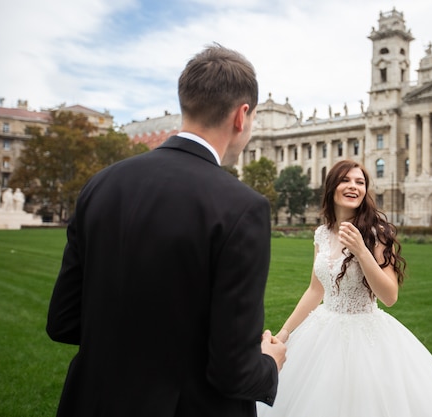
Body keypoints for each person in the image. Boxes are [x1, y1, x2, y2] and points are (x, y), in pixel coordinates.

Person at [46, 44, 286, 417]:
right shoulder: (242, 206)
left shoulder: (100, 185)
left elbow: (63, 321)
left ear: (185, 104)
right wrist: (269, 362)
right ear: (242, 116)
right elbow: (232, 371)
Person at [257, 159, 432, 417]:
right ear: (332, 188)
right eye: (346, 180)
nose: (354, 187)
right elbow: (315, 291)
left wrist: (362, 252)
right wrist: (285, 333)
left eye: (360, 182)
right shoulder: (322, 233)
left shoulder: (378, 233)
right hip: (322, 330)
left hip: (366, 334)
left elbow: (390, 296)